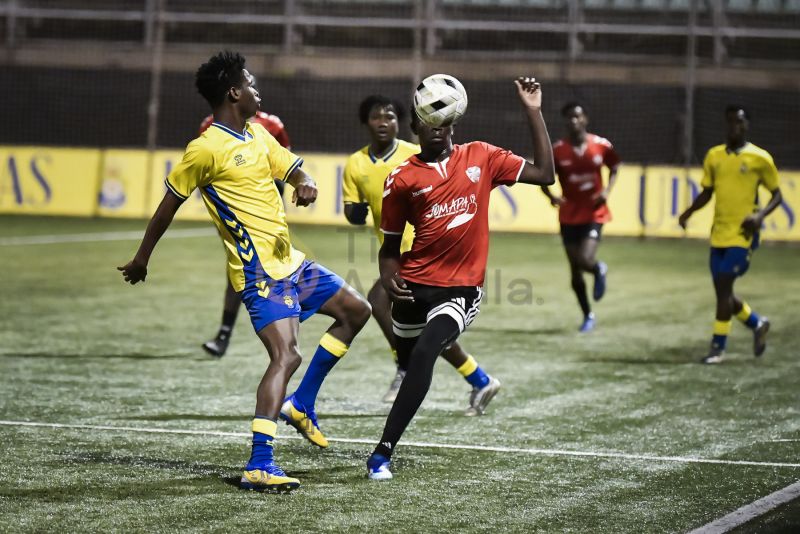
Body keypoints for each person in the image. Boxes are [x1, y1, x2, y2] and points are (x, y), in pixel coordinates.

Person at [118, 51, 371, 493]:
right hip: (259, 274)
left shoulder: (257, 134)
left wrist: (305, 183)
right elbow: (167, 206)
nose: (257, 91)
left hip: (292, 263)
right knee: (286, 356)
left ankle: (301, 404)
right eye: (251, 84)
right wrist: (142, 258)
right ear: (234, 92)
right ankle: (259, 464)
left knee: (357, 310)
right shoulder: (204, 149)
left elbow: (292, 168)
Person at [366, 76, 555, 480]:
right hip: (413, 287)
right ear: (415, 126)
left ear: (454, 121)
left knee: (425, 353)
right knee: (408, 357)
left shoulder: (481, 156)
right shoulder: (401, 179)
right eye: (429, 120)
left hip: (460, 290)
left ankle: (381, 453)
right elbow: (390, 248)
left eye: (444, 120)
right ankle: (478, 379)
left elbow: (544, 174)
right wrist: (388, 274)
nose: (437, 127)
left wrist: (533, 111)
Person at [342, 95, 500, 413]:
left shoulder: (414, 153)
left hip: (424, 255)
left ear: (401, 123)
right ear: (365, 123)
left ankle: (404, 367)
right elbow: (353, 211)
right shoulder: (355, 164)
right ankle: (479, 379)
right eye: (376, 117)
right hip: (395, 255)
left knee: (379, 301)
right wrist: (355, 212)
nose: (384, 122)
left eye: (390, 117)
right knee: (427, 329)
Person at [678, 105, 781, 364]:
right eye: (731, 121)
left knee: (724, 285)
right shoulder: (714, 156)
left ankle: (717, 348)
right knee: (723, 292)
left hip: (743, 235)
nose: (735, 126)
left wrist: (760, 216)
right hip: (719, 233)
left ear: (747, 125)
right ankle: (757, 323)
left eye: (740, 121)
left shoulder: (760, 158)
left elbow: (777, 195)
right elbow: (707, 192)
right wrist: (688, 212)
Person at [198, 109, 292, 358]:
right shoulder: (210, 125)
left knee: (269, 268)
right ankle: (228, 334)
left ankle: (234, 335)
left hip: (265, 211)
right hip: (232, 212)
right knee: (241, 265)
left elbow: (284, 164)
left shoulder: (271, 125)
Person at [541, 102, 620, 333]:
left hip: (594, 212)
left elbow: (615, 166)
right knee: (575, 270)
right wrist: (551, 196)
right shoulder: (558, 150)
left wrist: (606, 191)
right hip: (569, 215)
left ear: (585, 118)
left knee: (585, 260)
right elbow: (544, 176)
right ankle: (587, 315)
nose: (573, 120)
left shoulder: (601, 145)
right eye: (569, 117)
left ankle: (598, 269)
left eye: (577, 116)